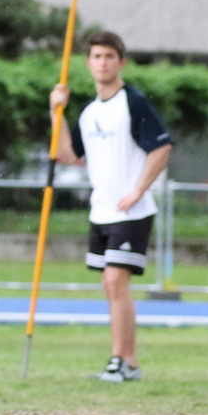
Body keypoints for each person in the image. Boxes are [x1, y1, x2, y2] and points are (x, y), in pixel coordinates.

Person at [51, 31, 173, 383]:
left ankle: (124, 362)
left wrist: (138, 190)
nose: (102, 63)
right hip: (101, 210)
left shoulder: (133, 102)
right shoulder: (90, 112)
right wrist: (55, 112)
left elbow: (162, 147)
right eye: (97, 56)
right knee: (110, 286)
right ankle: (124, 360)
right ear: (88, 63)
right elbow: (67, 155)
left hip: (131, 211)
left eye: (109, 56)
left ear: (121, 62)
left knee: (115, 280)